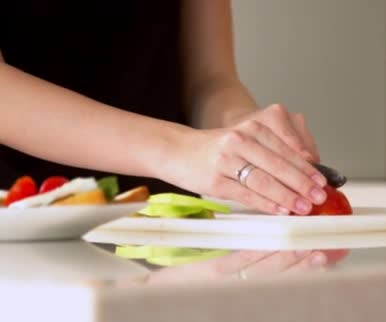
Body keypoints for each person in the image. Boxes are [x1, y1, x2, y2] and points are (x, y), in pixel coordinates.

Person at [0, 0, 328, 216]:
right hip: (17, 223)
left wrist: (242, 129)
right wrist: (176, 150)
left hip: (160, 224)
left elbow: (210, 80)